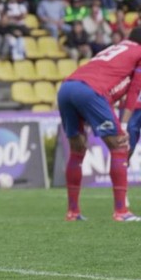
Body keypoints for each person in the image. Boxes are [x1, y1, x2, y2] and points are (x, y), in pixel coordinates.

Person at [59, 28, 141, 222]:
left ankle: (73, 212)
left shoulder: (115, 47)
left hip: (67, 88)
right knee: (120, 146)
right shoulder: (139, 52)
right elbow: (134, 90)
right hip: (90, 91)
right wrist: (123, 123)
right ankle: (121, 212)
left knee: (77, 150)